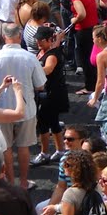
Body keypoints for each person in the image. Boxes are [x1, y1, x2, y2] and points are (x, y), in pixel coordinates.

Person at [0, 23, 46, 191]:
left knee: (5, 147)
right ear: (19, 36)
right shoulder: (30, 57)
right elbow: (40, 85)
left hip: (1, 110)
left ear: (3, 36)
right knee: (23, 146)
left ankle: (10, 181)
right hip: (26, 109)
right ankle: (23, 182)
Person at [29, 26, 69, 167]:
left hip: (51, 95)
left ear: (49, 40)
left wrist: (32, 70)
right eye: (38, 39)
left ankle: (44, 153)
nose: (38, 42)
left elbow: (48, 69)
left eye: (41, 40)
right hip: (47, 94)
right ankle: (60, 150)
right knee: (53, 122)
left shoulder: (51, 55)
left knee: (44, 124)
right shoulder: (44, 51)